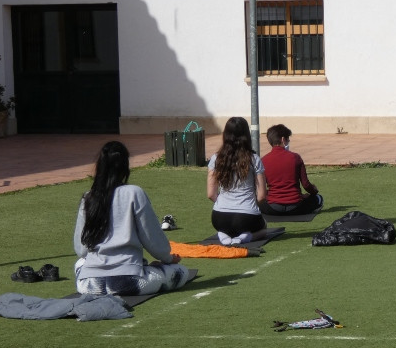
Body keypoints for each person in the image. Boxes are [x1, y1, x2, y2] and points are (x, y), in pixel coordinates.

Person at [73, 141, 190, 296]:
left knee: (80, 264)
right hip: (129, 281)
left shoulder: (88, 197)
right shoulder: (134, 193)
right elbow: (152, 239)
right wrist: (167, 258)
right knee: (181, 271)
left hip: (88, 284)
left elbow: (81, 250)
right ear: (124, 167)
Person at [207, 116, 268, 245]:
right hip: (247, 217)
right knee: (263, 230)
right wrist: (249, 207)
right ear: (247, 135)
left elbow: (211, 194)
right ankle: (245, 237)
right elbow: (262, 195)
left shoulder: (216, 158)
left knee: (228, 227)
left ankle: (223, 234)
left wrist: (226, 205)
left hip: (219, 218)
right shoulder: (254, 159)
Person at [260, 123, 323, 216]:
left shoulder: (263, 160)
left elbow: (261, 189)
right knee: (318, 198)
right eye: (288, 139)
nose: (288, 141)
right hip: (296, 207)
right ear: (283, 139)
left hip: (273, 208)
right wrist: (314, 191)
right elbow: (306, 185)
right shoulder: (295, 157)